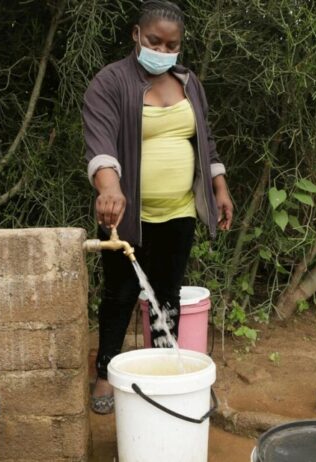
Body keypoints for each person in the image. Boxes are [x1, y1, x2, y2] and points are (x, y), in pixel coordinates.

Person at [82, 0, 233, 414]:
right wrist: (109, 187)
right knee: (119, 295)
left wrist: (219, 186)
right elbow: (100, 142)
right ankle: (106, 374)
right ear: (136, 35)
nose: (163, 52)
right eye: (155, 42)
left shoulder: (189, 83)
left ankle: (163, 371)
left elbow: (206, 141)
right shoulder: (111, 83)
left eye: (172, 45)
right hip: (127, 216)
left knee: (167, 295)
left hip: (180, 212)